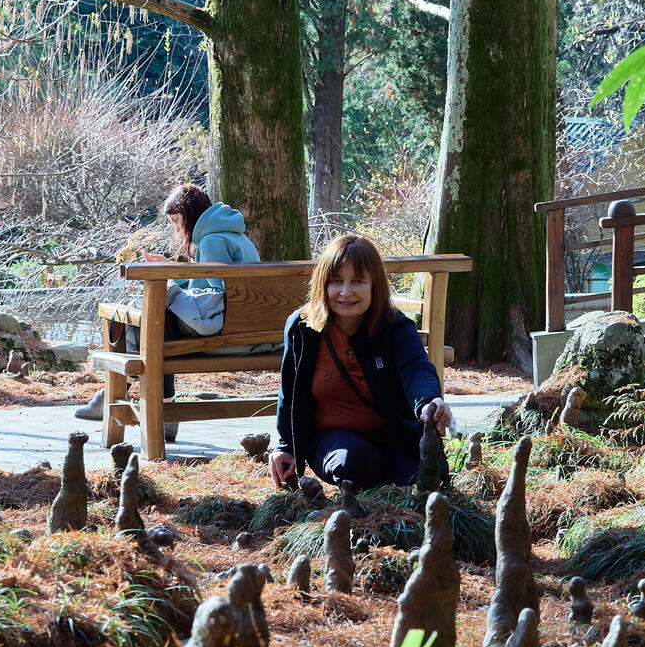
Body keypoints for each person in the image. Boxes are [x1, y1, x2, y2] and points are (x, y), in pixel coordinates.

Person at [269, 234, 452, 489]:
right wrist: (285, 446)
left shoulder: (395, 327)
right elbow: (288, 392)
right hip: (330, 438)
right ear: (324, 285)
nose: (345, 292)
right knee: (356, 463)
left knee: (421, 483)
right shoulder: (301, 328)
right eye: (336, 282)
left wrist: (429, 401)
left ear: (374, 285)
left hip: (392, 436)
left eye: (357, 282)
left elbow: (417, 369)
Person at [75, 184, 261, 432]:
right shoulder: (229, 234)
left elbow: (219, 297)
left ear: (190, 214)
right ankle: (165, 413)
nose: (175, 228)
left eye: (176, 221)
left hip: (229, 332)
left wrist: (171, 282)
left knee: (148, 326)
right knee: (153, 327)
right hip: (246, 326)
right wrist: (170, 267)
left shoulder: (212, 241)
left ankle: (118, 394)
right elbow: (207, 284)